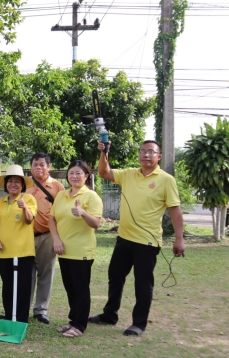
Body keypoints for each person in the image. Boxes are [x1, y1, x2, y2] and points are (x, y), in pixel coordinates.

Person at [89, 140, 185, 336]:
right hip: (124, 238)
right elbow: (104, 173)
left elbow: (175, 210)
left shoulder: (166, 180)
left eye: (151, 152)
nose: (146, 155)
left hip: (147, 242)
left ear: (159, 156)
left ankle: (139, 323)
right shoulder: (129, 174)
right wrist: (104, 152)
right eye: (143, 151)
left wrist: (179, 239)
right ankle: (110, 315)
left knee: (142, 284)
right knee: (115, 277)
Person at [49, 160, 103, 338]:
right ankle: (73, 320)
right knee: (70, 288)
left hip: (82, 251)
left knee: (80, 289)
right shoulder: (61, 195)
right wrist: (56, 239)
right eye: (71, 172)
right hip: (63, 249)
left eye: (79, 173)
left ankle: (80, 325)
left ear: (86, 176)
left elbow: (96, 223)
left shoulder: (91, 196)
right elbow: (52, 219)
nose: (74, 176)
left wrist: (83, 213)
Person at [0, 164, 38, 323]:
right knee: (8, 286)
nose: (13, 184)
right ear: (5, 184)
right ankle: (8, 313)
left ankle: (21, 319)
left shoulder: (29, 199)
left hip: (24, 252)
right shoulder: (1, 202)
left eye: (17, 181)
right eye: (10, 181)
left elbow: (28, 220)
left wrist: (24, 207)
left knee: (23, 287)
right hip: (4, 251)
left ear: (23, 185)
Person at [25, 153, 66, 324]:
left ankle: (40, 309)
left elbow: (62, 213)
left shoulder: (58, 187)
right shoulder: (24, 185)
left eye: (42, 164)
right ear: (31, 167)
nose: (39, 168)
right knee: (27, 274)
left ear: (49, 167)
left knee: (45, 273)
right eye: (35, 164)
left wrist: (58, 238)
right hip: (25, 236)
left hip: (47, 235)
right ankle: (23, 307)